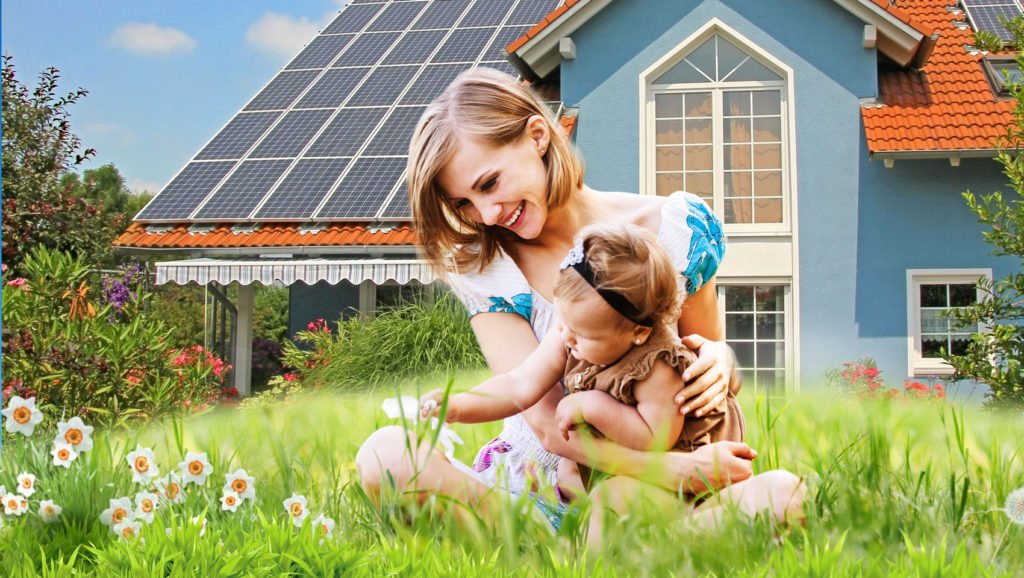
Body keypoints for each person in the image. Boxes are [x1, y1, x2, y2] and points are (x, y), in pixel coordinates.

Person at [356, 67, 803, 535]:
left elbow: (703, 352)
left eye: (489, 184)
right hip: (545, 485)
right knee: (385, 456)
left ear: (537, 137)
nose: (486, 214)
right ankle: (604, 541)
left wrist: (719, 361)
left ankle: (627, 541)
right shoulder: (487, 266)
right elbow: (546, 421)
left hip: (663, 481)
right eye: (464, 203)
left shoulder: (674, 226)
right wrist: (670, 471)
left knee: (782, 493)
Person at [419, 223, 745, 506]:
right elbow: (519, 385)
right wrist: (459, 406)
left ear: (637, 332)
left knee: (616, 496)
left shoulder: (658, 367)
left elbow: (652, 440)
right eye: (564, 323)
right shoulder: (572, 331)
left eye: (581, 333)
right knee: (574, 479)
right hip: (626, 468)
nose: (567, 338)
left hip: (679, 473)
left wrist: (592, 404)